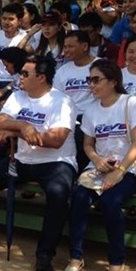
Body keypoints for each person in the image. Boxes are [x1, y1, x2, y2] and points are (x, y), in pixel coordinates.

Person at [0, 55, 77, 271]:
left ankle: (44, 255)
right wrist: (22, 126)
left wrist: (16, 132)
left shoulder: (62, 102)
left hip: (56, 162)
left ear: (41, 77)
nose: (19, 78)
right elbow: (0, 122)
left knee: (58, 195)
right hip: (22, 158)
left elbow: (56, 139)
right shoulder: (18, 96)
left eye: (25, 74)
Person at [65, 59, 136, 271]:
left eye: (96, 80)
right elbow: (88, 145)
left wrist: (119, 171)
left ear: (113, 81)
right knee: (79, 198)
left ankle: (116, 263)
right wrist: (97, 160)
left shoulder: (131, 103)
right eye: (88, 80)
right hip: (100, 168)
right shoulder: (91, 110)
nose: (91, 85)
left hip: (130, 168)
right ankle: (76, 257)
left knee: (111, 202)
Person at [52, 31, 97, 172]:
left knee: (80, 136)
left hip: (94, 116)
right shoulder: (62, 71)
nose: (66, 50)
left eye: (70, 46)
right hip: (69, 117)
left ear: (84, 46)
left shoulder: (101, 66)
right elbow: (56, 98)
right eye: (65, 47)